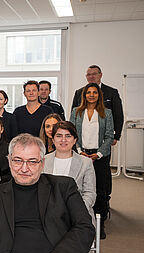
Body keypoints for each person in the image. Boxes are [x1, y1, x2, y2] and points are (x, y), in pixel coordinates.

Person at [70, 83, 114, 239]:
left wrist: (99, 154)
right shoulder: (76, 112)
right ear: (84, 95)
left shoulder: (106, 113)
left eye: (95, 92)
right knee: (79, 189)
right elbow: (71, 133)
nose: (91, 95)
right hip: (80, 155)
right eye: (88, 92)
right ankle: (80, 223)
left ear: (99, 95)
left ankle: (100, 226)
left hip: (99, 158)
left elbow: (109, 136)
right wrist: (80, 151)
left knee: (100, 192)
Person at [44, 121, 96, 227]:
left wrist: (75, 211)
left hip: (78, 216)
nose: (63, 140)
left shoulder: (86, 163)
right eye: (59, 136)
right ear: (53, 139)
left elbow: (90, 193)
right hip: (48, 215)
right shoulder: (43, 161)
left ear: (74, 140)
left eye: (68, 136)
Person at [72, 65, 124, 145]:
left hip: (104, 138)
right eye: (89, 74)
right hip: (83, 139)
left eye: (94, 74)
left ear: (100, 75)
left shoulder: (112, 92)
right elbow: (74, 116)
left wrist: (116, 136)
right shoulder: (79, 93)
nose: (91, 77)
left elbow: (118, 115)